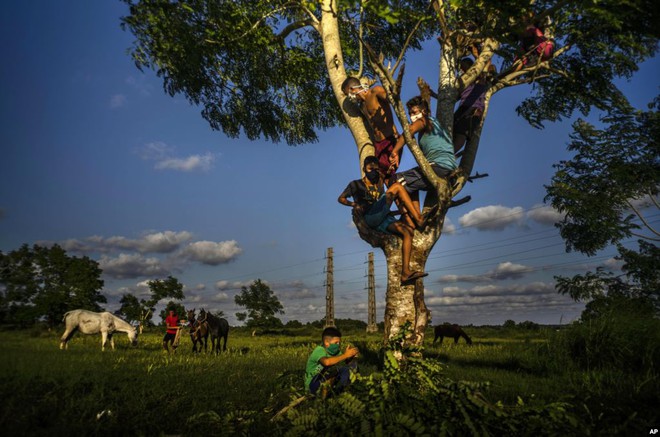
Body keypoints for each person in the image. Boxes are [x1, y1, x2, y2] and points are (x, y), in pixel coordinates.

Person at [339, 156, 428, 283]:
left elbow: (386, 175)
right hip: (370, 216)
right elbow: (341, 199)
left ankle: (405, 273)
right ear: (364, 169)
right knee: (397, 187)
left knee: (408, 232)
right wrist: (353, 204)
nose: (373, 172)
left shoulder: (379, 182)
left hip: (382, 217)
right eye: (370, 169)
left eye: (375, 169)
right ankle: (419, 218)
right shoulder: (355, 184)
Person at [390, 96, 458, 216]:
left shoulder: (426, 121)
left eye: (415, 112)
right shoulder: (435, 124)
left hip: (439, 167)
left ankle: (414, 218)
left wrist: (394, 151)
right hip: (446, 168)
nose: (412, 116)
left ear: (424, 111)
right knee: (410, 186)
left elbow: (409, 130)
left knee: (396, 180)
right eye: (410, 113)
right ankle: (416, 214)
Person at [342, 77, 400, 183]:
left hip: (389, 140)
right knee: (382, 178)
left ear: (352, 89)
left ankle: (404, 196)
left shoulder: (375, 91)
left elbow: (391, 98)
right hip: (378, 145)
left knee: (388, 176)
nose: (349, 97)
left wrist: (391, 90)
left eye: (348, 94)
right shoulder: (362, 106)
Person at [304, 326, 359, 397]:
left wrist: (351, 357)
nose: (338, 345)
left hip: (325, 379)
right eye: (336, 342)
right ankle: (331, 395)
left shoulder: (336, 352)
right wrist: (345, 355)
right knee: (334, 370)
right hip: (313, 383)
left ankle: (343, 391)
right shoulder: (319, 350)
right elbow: (327, 362)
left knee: (346, 370)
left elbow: (343, 361)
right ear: (327, 342)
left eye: (339, 343)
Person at [453, 57, 491, 156]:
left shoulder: (479, 78)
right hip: (462, 109)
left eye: (463, 67)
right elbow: (451, 97)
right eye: (461, 68)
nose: (462, 69)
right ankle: (444, 154)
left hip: (473, 108)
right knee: (450, 129)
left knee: (461, 133)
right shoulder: (462, 83)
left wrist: (476, 55)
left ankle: (449, 156)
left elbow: (486, 65)